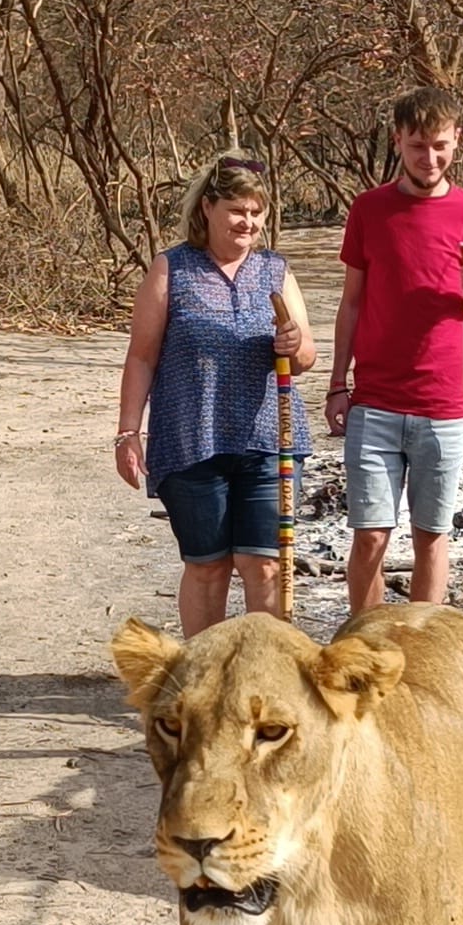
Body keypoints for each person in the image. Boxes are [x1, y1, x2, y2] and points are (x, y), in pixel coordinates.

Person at [115, 153, 316, 636]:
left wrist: (295, 345)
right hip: (191, 440)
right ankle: (203, 679)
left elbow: (305, 355)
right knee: (208, 567)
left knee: (264, 564)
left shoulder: (275, 271)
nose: (247, 222)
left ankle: (264, 676)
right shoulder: (173, 269)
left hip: (269, 441)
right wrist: (127, 433)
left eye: (256, 212)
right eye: (236, 210)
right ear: (208, 208)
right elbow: (142, 356)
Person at [326, 86, 463, 614]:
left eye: (440, 146)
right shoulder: (370, 210)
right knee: (370, 537)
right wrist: (339, 384)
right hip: (376, 402)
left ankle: (423, 651)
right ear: (398, 141)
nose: (429, 158)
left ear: (458, 141)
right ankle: (363, 646)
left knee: (432, 536)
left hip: (446, 405)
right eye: (417, 147)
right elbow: (352, 304)